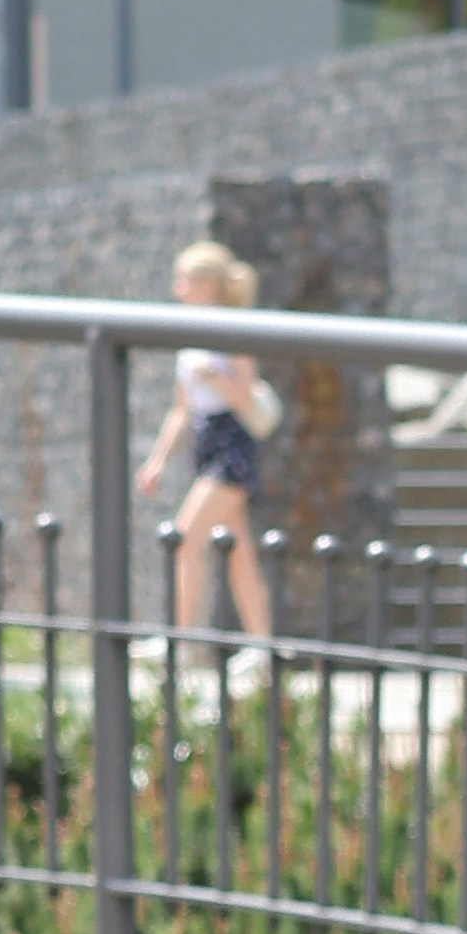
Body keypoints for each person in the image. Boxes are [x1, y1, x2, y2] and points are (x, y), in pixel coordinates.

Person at [142, 244, 278, 645]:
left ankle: (176, 638)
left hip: (231, 441)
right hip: (205, 439)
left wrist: (215, 378)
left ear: (206, 284)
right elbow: (181, 409)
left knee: (186, 537)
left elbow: (245, 394)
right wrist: (158, 460)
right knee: (239, 553)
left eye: (185, 280)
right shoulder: (191, 334)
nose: (178, 289)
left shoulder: (231, 329)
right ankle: (262, 645)